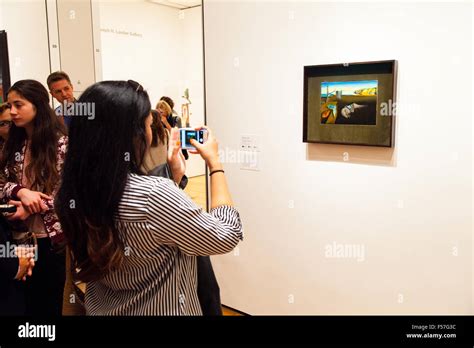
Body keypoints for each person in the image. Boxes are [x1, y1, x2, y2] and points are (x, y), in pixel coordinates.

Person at [56, 80, 243, 315]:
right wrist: (215, 165)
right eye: (147, 123)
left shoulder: (70, 193)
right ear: (133, 134)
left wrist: (172, 177)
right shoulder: (153, 196)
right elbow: (226, 235)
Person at [0, 79, 68, 316]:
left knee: (48, 304)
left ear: (38, 104)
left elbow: (69, 196)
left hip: (49, 240)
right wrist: (20, 191)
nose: (13, 112)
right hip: (16, 239)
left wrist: (32, 206)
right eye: (10, 106)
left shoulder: (61, 143)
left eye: (19, 104)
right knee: (22, 305)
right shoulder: (12, 144)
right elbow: (1, 184)